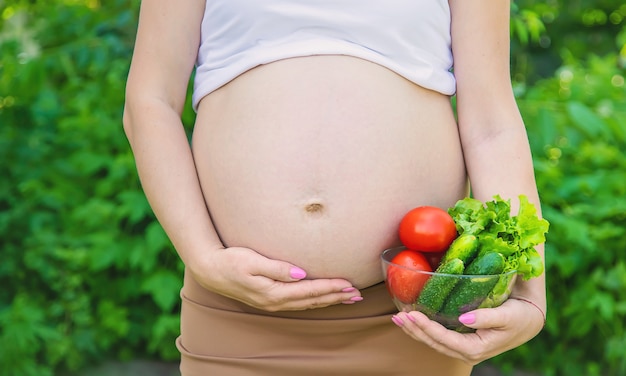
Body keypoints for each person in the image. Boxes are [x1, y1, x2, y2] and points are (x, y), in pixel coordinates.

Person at [122, 0, 547, 375]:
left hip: (415, 312)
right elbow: (150, 101)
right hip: (238, 307)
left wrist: (529, 295)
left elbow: (492, 127)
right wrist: (203, 258)